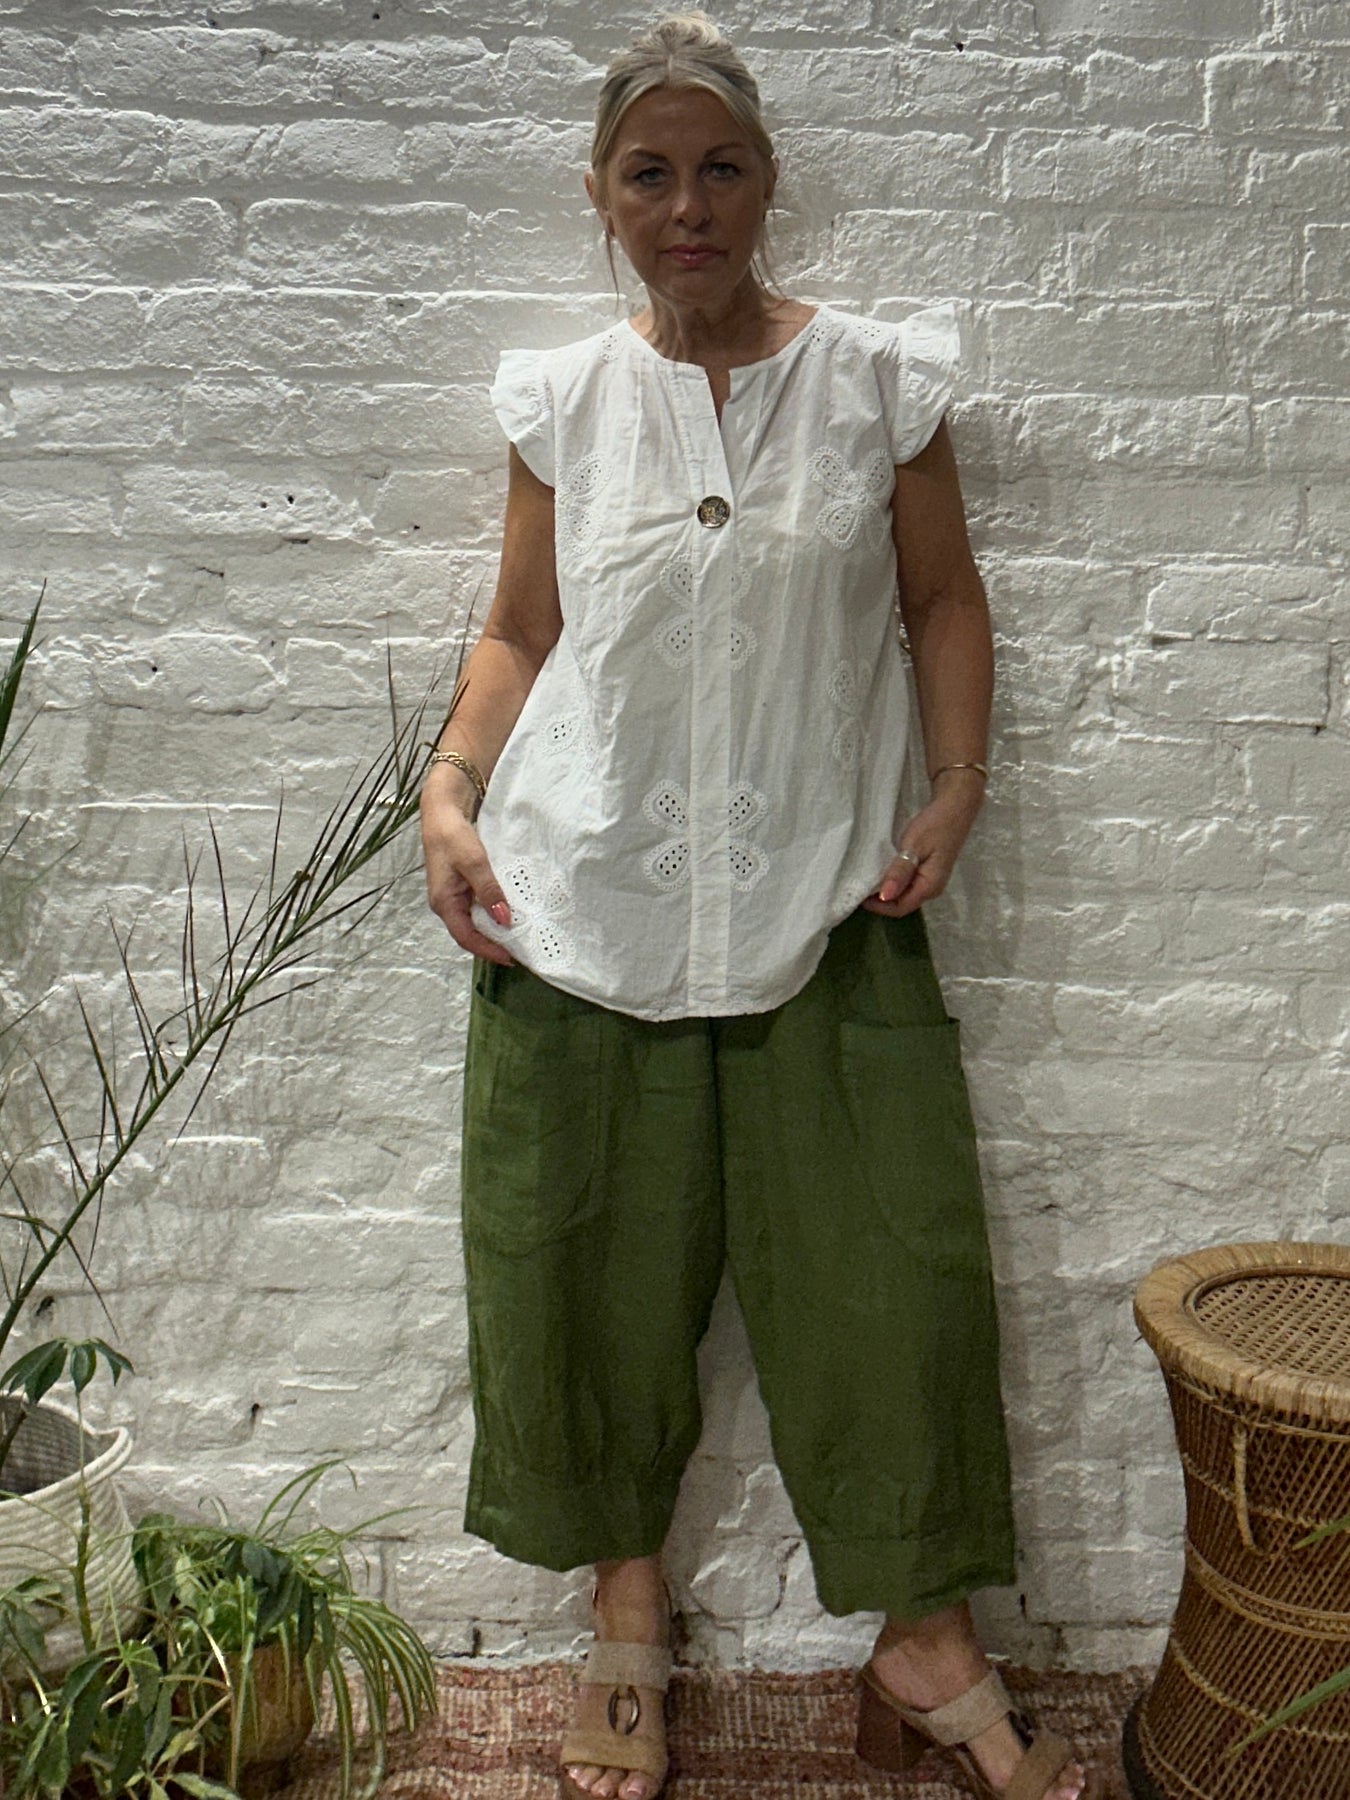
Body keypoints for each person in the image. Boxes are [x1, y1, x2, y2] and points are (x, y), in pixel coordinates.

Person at [419, 13, 1098, 1800]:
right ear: (599, 195)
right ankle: (626, 1615)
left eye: (719, 167)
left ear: (768, 179)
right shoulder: (563, 401)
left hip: (833, 897)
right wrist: (450, 788)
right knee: (581, 1272)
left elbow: (942, 600)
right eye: (649, 173)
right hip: (583, 905)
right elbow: (521, 628)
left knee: (894, 1281)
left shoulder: (875, 383)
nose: (688, 205)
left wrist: (956, 782)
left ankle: (923, 1635)